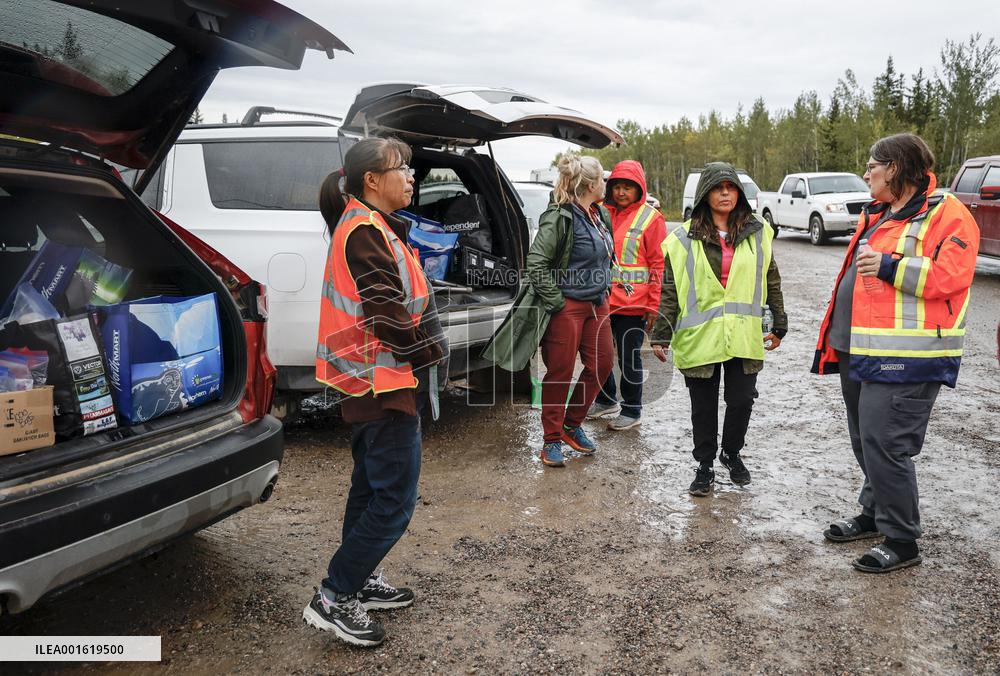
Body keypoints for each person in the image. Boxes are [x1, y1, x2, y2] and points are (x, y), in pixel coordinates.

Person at [813, 133, 979, 574]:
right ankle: (873, 514)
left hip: (909, 355)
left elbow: (953, 276)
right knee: (864, 439)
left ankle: (903, 539)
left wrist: (889, 266)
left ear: (897, 167)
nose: (866, 174)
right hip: (859, 348)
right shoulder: (881, 213)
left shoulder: (947, 214)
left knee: (887, 443)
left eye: (872, 165)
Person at [305, 137, 445, 646]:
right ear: (371, 180)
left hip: (371, 382)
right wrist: (432, 357)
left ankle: (357, 581)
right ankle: (334, 595)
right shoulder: (365, 231)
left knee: (369, 489)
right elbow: (386, 314)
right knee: (394, 500)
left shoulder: (375, 225)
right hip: (382, 384)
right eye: (401, 168)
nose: (411, 176)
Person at [650, 162, 786, 496]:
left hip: (743, 334)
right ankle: (705, 465)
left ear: (739, 192)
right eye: (717, 187)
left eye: (730, 187)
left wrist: (780, 323)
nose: (724, 192)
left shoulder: (758, 232)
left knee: (742, 399)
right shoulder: (682, 238)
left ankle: (732, 452)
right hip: (701, 338)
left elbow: (771, 278)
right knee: (704, 407)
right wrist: (661, 332)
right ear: (704, 195)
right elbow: (670, 287)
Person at [482, 154, 614, 467]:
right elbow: (537, 265)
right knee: (560, 374)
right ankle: (551, 440)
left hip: (597, 303)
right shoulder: (559, 216)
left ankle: (571, 425)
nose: (606, 184)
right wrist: (557, 302)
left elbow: (604, 256)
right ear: (592, 184)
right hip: (566, 306)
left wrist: (605, 286)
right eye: (603, 179)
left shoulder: (600, 215)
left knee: (603, 365)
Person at [588, 160, 667, 430]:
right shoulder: (600, 212)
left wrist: (653, 306)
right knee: (599, 354)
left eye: (628, 188)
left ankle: (632, 410)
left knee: (628, 358)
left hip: (633, 305)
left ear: (639, 189)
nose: (621, 192)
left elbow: (657, 265)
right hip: (602, 299)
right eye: (617, 187)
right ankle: (606, 398)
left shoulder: (651, 218)